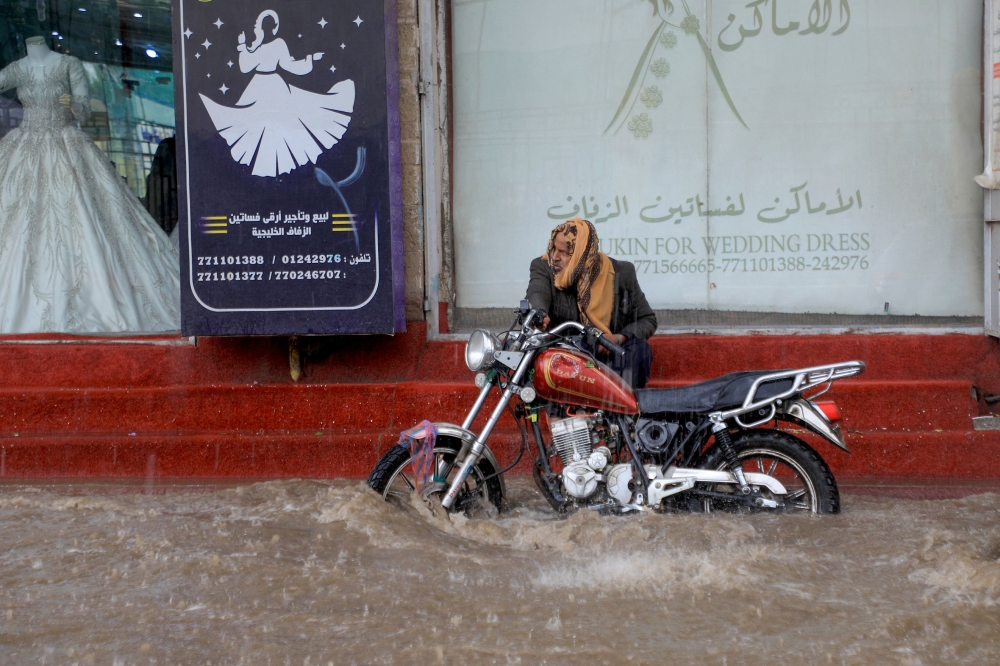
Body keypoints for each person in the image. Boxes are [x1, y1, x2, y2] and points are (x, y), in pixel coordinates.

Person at [0, 34, 180, 333]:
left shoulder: (68, 64)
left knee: (82, 217)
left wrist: (72, 105)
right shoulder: (18, 68)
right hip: (25, 146)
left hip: (66, 143)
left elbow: (84, 108)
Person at [526, 218, 657, 388]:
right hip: (568, 355)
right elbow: (538, 291)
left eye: (564, 252)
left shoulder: (622, 273)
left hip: (607, 354)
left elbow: (648, 319)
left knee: (639, 349)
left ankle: (621, 410)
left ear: (582, 254)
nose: (555, 257)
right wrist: (539, 312)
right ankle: (563, 413)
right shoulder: (544, 267)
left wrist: (617, 338)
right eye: (553, 249)